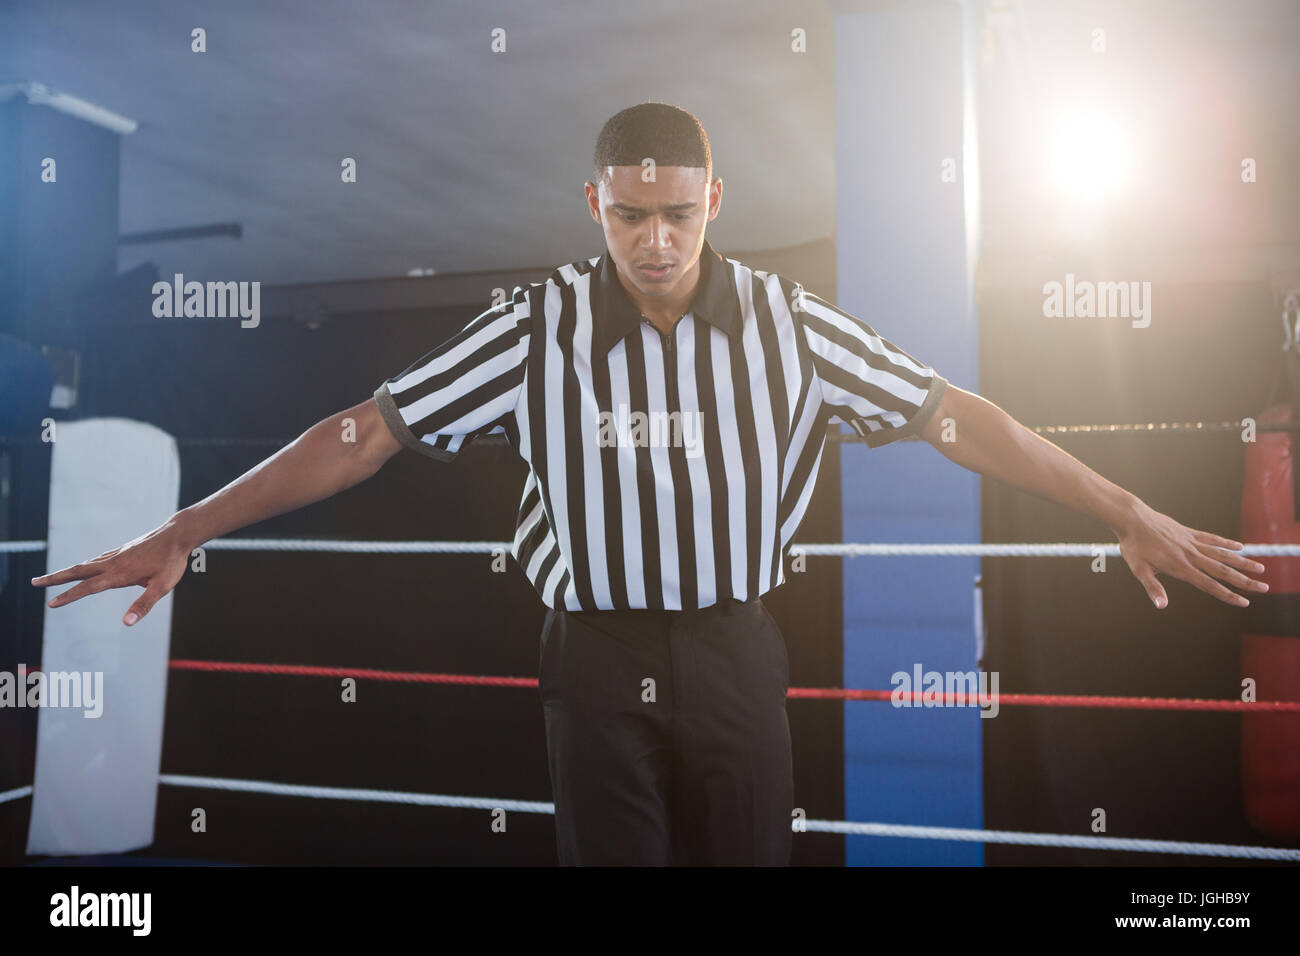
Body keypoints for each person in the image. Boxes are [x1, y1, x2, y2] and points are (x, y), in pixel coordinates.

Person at [30, 102, 1267, 865]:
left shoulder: (794, 326)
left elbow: (957, 419)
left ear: (714, 200)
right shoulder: (531, 328)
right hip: (590, 659)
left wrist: (1128, 510)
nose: (657, 240)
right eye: (631, 214)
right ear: (595, 204)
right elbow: (367, 431)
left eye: (678, 211)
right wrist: (184, 527)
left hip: (735, 650)